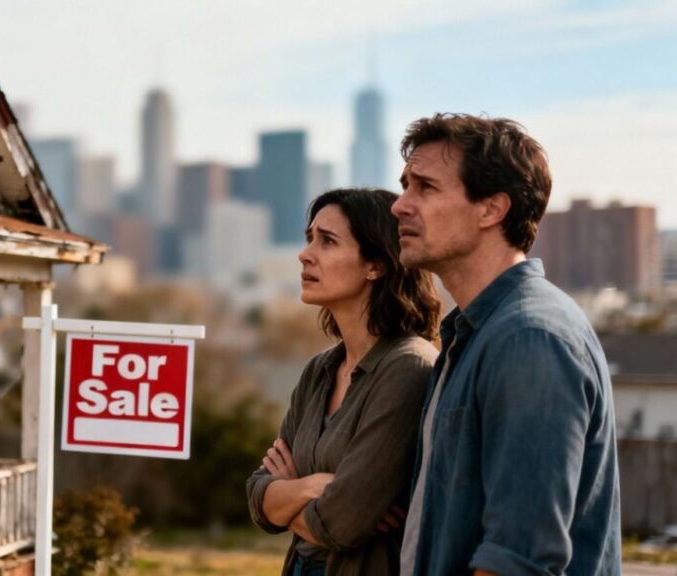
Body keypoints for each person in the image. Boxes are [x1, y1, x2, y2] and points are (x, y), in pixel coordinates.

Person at [392, 113, 622, 576]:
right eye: (404, 186)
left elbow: (519, 558)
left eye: (425, 187)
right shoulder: (472, 336)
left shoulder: (529, 340)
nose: (400, 205)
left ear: (491, 209)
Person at [247, 188, 442, 575]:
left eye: (328, 241)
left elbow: (342, 523)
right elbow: (256, 494)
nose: (305, 254)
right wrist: (313, 487)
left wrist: (288, 497)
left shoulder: (408, 367)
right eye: (309, 239)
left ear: (377, 264)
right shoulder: (319, 370)